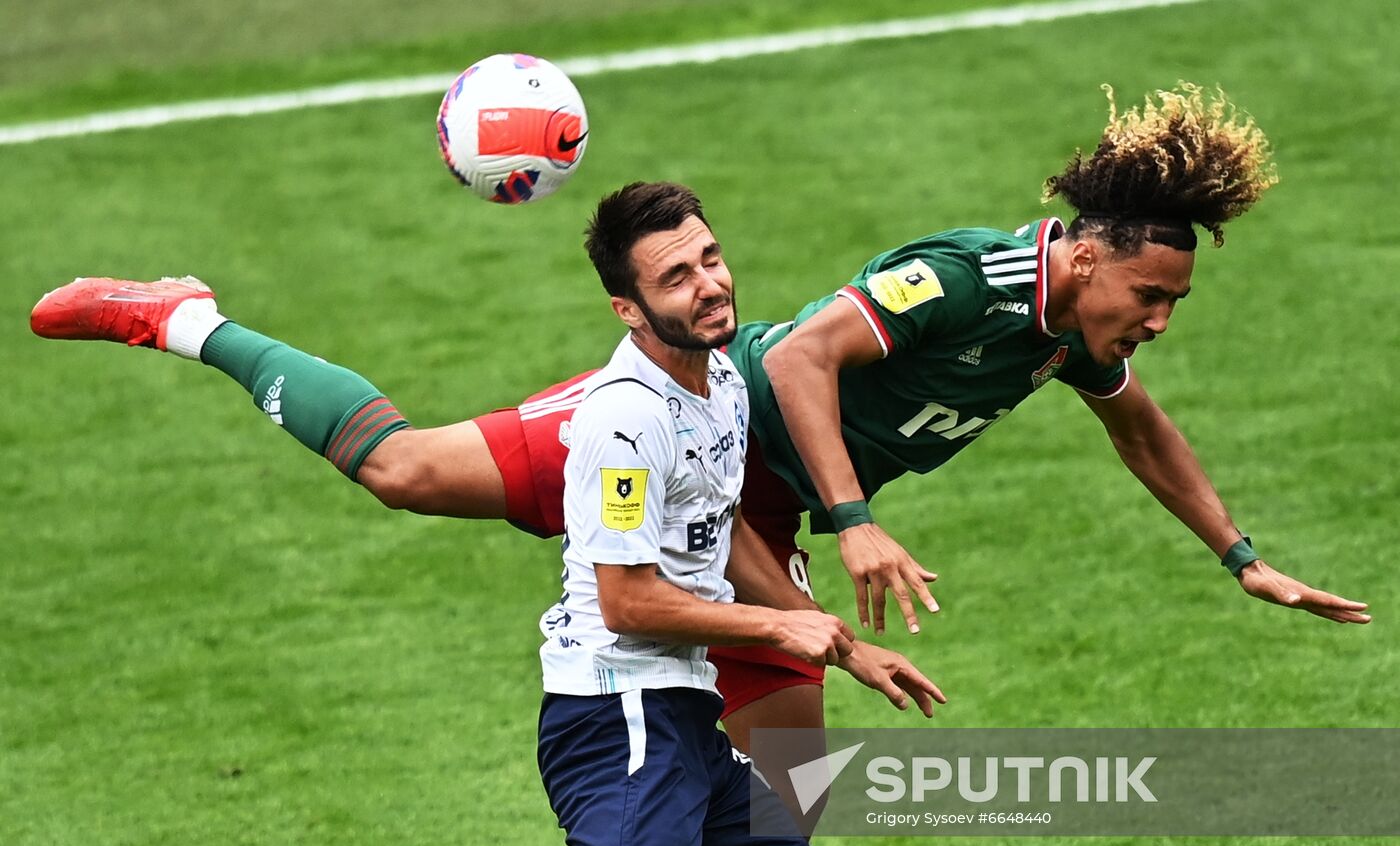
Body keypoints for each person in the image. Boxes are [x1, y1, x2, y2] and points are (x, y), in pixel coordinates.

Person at [31, 83, 1368, 769]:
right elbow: (798, 362)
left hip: (755, 515)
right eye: (1153, 295)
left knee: (791, 782)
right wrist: (856, 523)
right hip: (687, 435)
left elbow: (1142, 426)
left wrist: (1238, 551)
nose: (1159, 322)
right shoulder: (975, 277)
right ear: (1085, 261)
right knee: (402, 468)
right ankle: (184, 317)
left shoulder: (1064, 330)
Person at [531, 186, 851, 846]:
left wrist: (830, 636)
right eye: (676, 278)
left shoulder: (724, 384)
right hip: (618, 714)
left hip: (685, 709)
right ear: (628, 310)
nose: (709, 284)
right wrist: (774, 631)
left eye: (710, 259)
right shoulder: (624, 421)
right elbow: (628, 603)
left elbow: (722, 520)